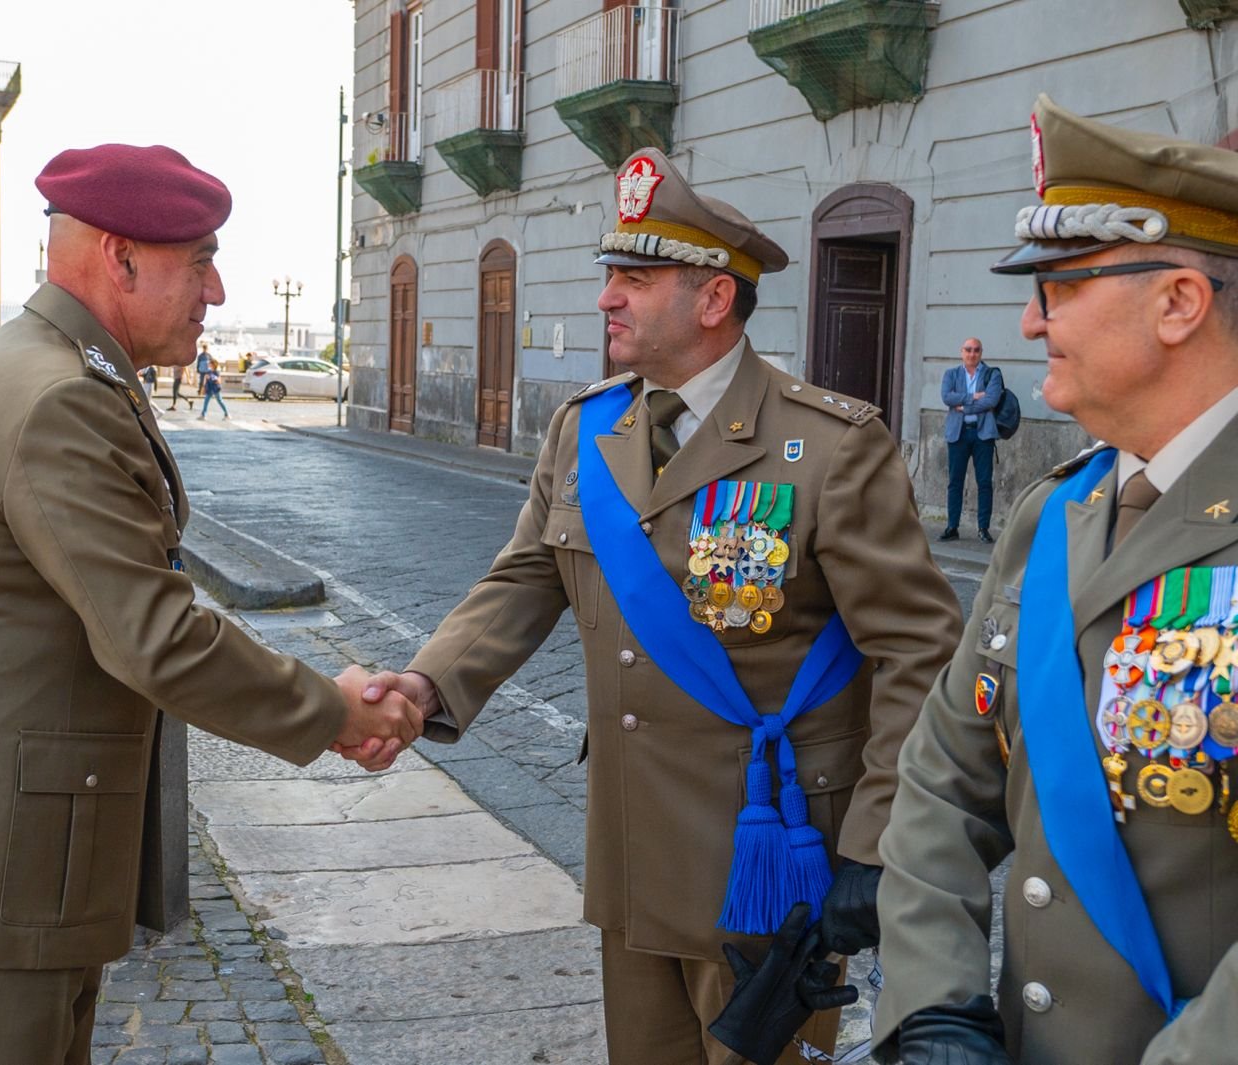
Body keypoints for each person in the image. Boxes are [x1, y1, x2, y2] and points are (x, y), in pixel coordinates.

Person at [340, 149, 962, 1065]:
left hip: (768, 851)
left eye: (635, 278)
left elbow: (919, 651)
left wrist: (876, 842)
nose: (606, 299)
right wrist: (427, 686)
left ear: (713, 299)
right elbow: (524, 578)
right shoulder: (589, 427)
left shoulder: (830, 446)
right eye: (611, 277)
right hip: (631, 837)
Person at [0, 143, 424, 1065]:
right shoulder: (59, 396)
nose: (215, 293)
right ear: (120, 257)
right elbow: (159, 637)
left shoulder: (50, 366)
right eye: (200, 261)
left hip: (8, 864)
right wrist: (332, 709)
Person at [873, 94, 1238, 1065]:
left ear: (1178, 303)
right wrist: (934, 1008)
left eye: (1064, 286)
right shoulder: (1050, 517)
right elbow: (944, 779)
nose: (1030, 323)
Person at [940, 338, 1004, 544]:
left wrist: (965, 405)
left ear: (981, 353)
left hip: (982, 434)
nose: (972, 354)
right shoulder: (951, 374)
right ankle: (952, 526)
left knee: (984, 482)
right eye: (968, 350)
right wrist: (973, 397)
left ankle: (983, 528)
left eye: (976, 350)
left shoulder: (992, 374)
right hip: (958, 434)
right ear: (962, 352)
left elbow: (991, 400)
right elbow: (947, 397)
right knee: (955, 481)